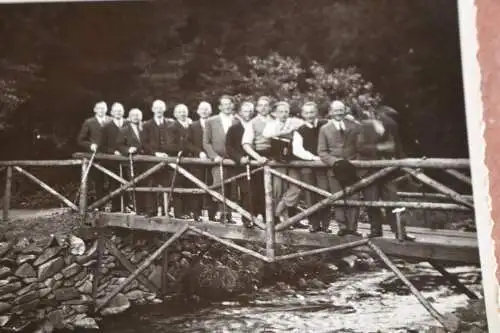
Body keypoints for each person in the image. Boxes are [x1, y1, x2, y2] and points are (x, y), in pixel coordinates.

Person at [275, 101, 328, 232]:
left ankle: (325, 225)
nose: (309, 115)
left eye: (312, 112)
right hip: (307, 166)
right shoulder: (300, 130)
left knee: (325, 194)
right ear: (302, 114)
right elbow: (298, 150)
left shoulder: (324, 125)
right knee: (310, 195)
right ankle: (314, 224)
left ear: (316, 113)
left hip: (323, 166)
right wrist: (314, 158)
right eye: (306, 113)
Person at [317, 100, 362, 236]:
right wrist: (335, 162)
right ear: (331, 112)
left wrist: (355, 162)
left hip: (352, 168)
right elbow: (322, 152)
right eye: (336, 110)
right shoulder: (324, 129)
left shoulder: (354, 126)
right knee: (338, 198)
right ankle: (342, 227)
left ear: (345, 110)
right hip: (334, 169)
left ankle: (352, 228)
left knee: (354, 198)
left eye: (341, 110)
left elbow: (361, 146)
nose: (339, 113)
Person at [203, 95, 239, 223]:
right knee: (219, 185)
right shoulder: (211, 121)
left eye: (229, 104)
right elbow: (206, 142)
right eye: (224, 104)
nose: (227, 106)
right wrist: (214, 156)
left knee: (232, 186)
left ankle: (229, 214)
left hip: (233, 160)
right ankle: (222, 214)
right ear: (219, 107)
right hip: (218, 159)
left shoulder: (237, 120)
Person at [141, 99, 179, 217]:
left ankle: (165, 210)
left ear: (164, 109)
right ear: (152, 109)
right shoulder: (146, 125)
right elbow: (144, 143)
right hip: (152, 160)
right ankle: (151, 211)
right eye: (156, 108)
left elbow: (176, 140)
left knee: (167, 185)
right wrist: (155, 153)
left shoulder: (171, 123)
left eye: (161, 108)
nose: (159, 110)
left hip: (168, 160)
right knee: (151, 185)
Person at [241, 96, 273, 218]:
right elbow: (246, 144)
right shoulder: (252, 123)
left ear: (270, 107)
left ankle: (269, 217)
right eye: (260, 105)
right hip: (259, 156)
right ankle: (251, 218)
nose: (263, 108)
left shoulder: (275, 120)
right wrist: (257, 157)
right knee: (257, 189)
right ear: (257, 108)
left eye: (266, 105)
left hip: (275, 157)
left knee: (273, 189)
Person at [226, 101, 255, 228]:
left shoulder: (255, 125)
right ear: (240, 113)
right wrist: (239, 158)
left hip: (255, 163)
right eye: (245, 111)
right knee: (245, 191)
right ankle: (246, 219)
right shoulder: (234, 128)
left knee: (257, 191)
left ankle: (261, 218)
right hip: (241, 164)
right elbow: (229, 146)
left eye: (249, 111)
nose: (247, 114)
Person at [77, 101, 110, 207]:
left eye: (104, 108)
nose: (102, 110)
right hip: (96, 157)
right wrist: (90, 145)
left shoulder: (111, 120)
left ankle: (114, 206)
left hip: (111, 156)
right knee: (98, 181)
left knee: (113, 181)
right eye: (99, 108)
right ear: (95, 110)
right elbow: (80, 139)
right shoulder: (89, 122)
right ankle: (99, 206)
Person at [172, 103, 201, 220]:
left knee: (190, 185)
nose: (182, 113)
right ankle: (178, 212)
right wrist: (182, 148)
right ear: (175, 114)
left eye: (184, 111)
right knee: (179, 185)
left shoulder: (191, 125)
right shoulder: (172, 127)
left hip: (191, 160)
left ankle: (189, 211)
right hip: (179, 160)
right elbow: (172, 144)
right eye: (179, 112)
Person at [190, 101, 216, 221]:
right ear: (198, 111)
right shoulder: (193, 125)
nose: (204, 111)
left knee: (214, 185)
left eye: (207, 109)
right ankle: (196, 213)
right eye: (202, 109)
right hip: (198, 160)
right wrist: (199, 152)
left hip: (213, 160)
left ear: (210, 111)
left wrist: (213, 154)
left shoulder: (215, 124)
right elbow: (188, 143)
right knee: (197, 185)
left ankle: (212, 214)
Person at [116, 108, 146, 214]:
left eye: (138, 115)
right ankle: (138, 208)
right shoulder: (124, 129)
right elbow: (119, 144)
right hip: (131, 162)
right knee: (134, 184)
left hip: (145, 161)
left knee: (145, 184)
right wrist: (127, 150)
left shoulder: (144, 128)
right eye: (133, 115)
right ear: (129, 117)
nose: (136, 117)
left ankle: (146, 208)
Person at [100, 102, 127, 212]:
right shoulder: (106, 127)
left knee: (127, 182)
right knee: (114, 183)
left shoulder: (128, 124)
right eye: (116, 111)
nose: (118, 113)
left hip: (126, 159)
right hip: (113, 161)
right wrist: (113, 151)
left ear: (123, 112)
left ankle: (126, 205)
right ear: (111, 113)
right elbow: (102, 146)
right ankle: (116, 207)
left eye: (120, 111)